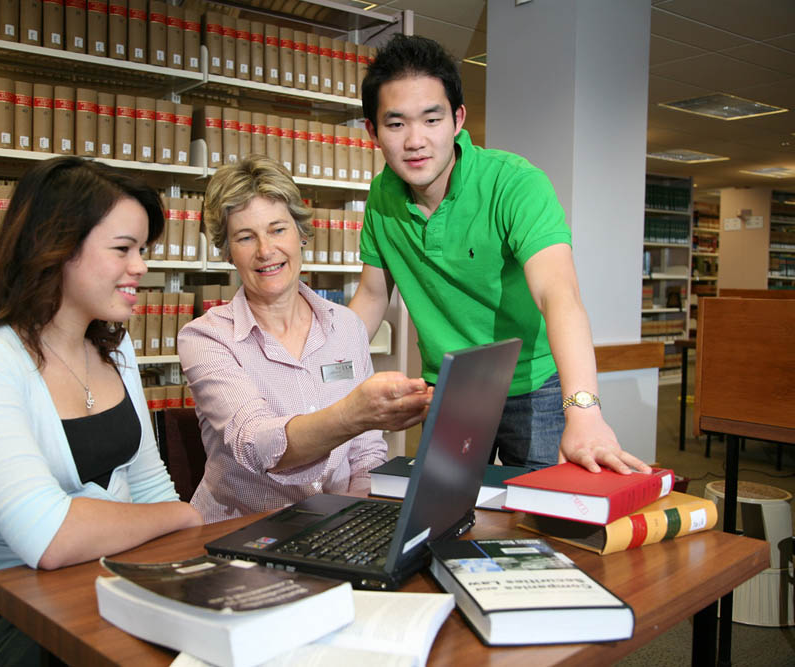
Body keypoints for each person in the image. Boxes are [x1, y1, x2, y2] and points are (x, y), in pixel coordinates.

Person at [0, 156, 202, 666]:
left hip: (103, 576)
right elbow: (48, 537)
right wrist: (181, 515)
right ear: (58, 246)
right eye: (123, 249)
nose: (140, 266)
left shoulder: (115, 349)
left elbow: (147, 483)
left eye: (142, 250)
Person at [349, 34, 649, 475]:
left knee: (547, 521)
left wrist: (583, 411)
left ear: (457, 119)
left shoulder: (515, 184)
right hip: (450, 391)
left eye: (431, 120)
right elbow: (372, 297)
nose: (415, 140)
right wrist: (320, 377)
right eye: (396, 124)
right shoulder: (382, 196)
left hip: (534, 386)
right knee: (438, 519)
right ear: (373, 132)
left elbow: (558, 293)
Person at [177, 155, 432, 523]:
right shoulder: (206, 338)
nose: (266, 250)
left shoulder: (346, 327)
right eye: (246, 237)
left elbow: (366, 452)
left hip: (337, 526)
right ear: (227, 251)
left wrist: (357, 519)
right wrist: (352, 414)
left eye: (278, 229)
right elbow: (257, 443)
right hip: (244, 533)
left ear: (302, 234)